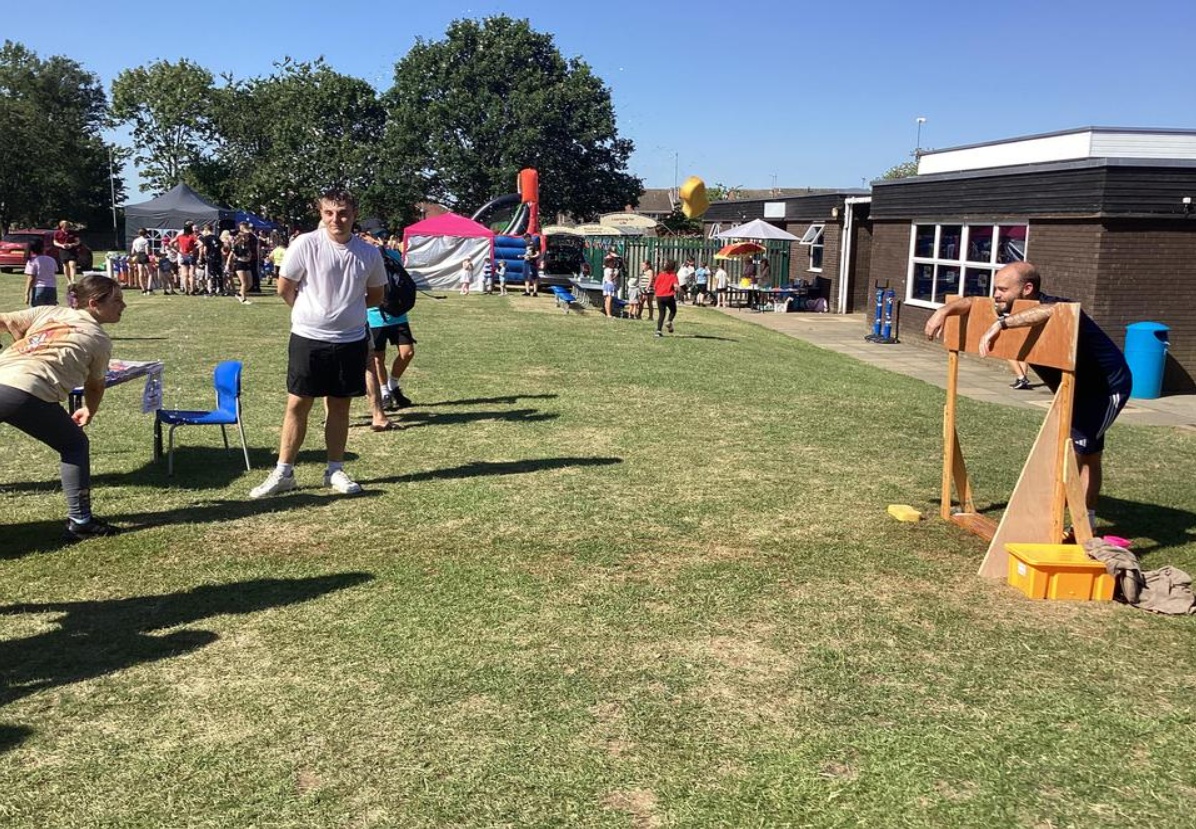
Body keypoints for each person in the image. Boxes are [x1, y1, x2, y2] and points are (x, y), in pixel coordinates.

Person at [924, 261, 1131, 527]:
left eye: (1002, 289)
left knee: (1075, 449)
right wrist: (943, 311)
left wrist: (1002, 325)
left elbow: (1051, 311)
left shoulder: (1058, 307)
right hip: (1072, 389)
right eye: (995, 289)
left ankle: (1051, 522)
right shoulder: (1003, 305)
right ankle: (1083, 525)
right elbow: (973, 303)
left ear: (1027, 289)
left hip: (1105, 388)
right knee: (1089, 452)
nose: (996, 295)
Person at [249, 188, 386, 499]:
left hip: (350, 340)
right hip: (308, 337)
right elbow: (285, 288)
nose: (336, 219)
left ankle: (334, 469)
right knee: (298, 403)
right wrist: (312, 315)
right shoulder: (305, 244)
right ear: (321, 214)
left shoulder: (368, 253)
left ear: (354, 214)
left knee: (339, 405)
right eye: (329, 213)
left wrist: (346, 312)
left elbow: (376, 295)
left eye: (343, 213)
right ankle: (284, 472)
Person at [0, 275, 126, 539]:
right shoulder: (99, 340)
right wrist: (89, 410)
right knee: (74, 445)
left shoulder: (49, 312)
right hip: (26, 391)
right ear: (93, 303)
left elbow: (5, 320)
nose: (123, 306)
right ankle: (81, 521)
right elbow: (95, 386)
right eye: (117, 301)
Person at [24, 239, 59, 307]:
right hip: (52, 288)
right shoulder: (51, 260)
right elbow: (54, 271)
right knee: (50, 311)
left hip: (39, 288)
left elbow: (31, 278)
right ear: (43, 248)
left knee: (38, 311)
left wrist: (26, 293)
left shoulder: (32, 261)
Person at [653, 259, 680, 338]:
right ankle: (669, 321)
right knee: (673, 310)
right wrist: (678, 290)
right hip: (668, 295)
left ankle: (658, 331)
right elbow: (676, 286)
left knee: (661, 314)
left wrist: (656, 294)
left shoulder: (660, 274)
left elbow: (655, 286)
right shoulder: (673, 275)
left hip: (659, 296)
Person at [231, 223, 255, 304]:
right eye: (245, 236)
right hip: (240, 263)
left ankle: (239, 294)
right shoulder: (237, 245)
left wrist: (249, 256)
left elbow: (249, 252)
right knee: (244, 283)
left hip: (246, 263)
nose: (247, 237)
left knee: (250, 283)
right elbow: (232, 254)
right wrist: (228, 264)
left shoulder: (246, 245)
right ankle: (244, 299)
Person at [52, 220, 81, 286]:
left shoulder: (73, 233)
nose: (66, 227)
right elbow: (55, 242)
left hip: (72, 250)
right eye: (65, 226)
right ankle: (69, 281)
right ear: (61, 226)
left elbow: (78, 242)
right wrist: (61, 245)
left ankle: (73, 280)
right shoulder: (57, 233)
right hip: (63, 251)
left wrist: (71, 245)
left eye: (67, 226)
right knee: (65, 265)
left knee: (72, 264)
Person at [175, 222, 200, 295]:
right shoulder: (192, 236)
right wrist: (194, 249)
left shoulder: (180, 236)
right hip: (191, 255)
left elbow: (171, 243)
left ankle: (186, 290)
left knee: (184, 274)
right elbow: (201, 243)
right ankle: (192, 289)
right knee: (191, 274)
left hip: (183, 255)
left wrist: (178, 251)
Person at [130, 229, 153, 294]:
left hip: (138, 255)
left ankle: (143, 290)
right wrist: (149, 252)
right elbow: (147, 251)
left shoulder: (135, 240)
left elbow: (132, 252)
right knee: (150, 273)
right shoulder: (145, 241)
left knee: (140, 273)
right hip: (144, 255)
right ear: (145, 234)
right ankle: (149, 289)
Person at [602, 253, 618, 317]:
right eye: (612, 262)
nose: (613, 263)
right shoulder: (610, 270)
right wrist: (616, 274)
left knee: (606, 300)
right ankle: (609, 314)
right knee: (609, 299)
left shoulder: (605, 269)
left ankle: (607, 313)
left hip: (606, 284)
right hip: (610, 285)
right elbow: (611, 278)